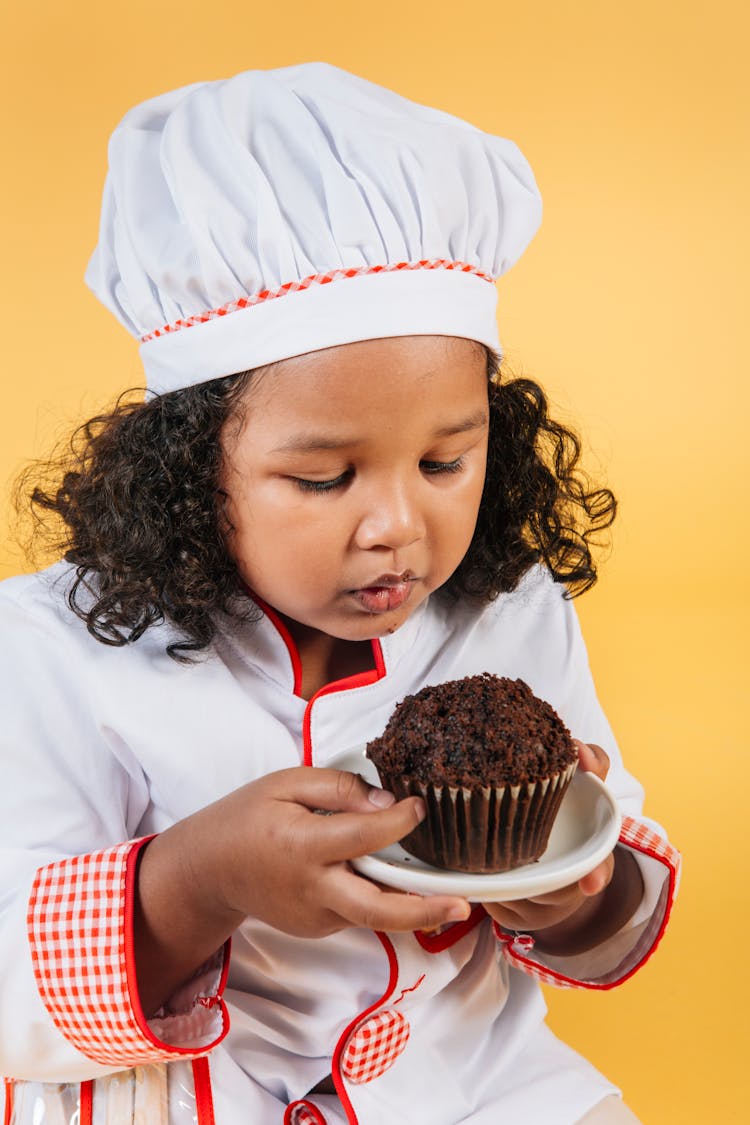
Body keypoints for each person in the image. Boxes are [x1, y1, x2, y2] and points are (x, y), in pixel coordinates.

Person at [0, 64, 680, 1125]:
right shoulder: (47, 649)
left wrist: (570, 890)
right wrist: (199, 881)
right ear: (187, 469)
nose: (398, 526)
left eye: (447, 462)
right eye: (324, 479)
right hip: (174, 1099)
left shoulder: (510, 607)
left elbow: (610, 890)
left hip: (470, 1089)